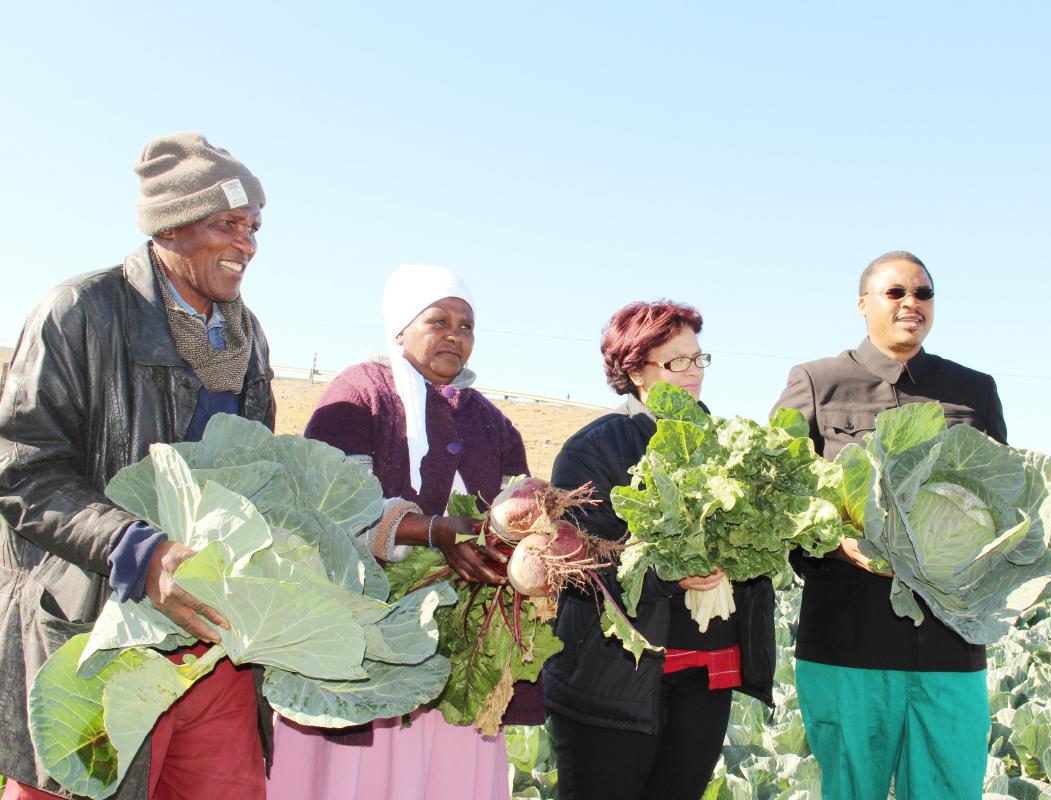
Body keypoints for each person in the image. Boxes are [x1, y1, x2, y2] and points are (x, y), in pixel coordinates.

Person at [0, 133, 274, 799]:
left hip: (210, 647)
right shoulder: (80, 313)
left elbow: (261, 480)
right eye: (228, 224)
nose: (247, 244)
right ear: (171, 227)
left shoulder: (248, 339)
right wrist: (138, 549)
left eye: (254, 227)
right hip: (94, 635)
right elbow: (21, 469)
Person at [266, 264, 538, 800]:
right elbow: (327, 510)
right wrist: (428, 531)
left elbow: (518, 510)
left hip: (464, 646)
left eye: (466, 325)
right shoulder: (360, 393)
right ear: (400, 329)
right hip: (373, 639)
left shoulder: (492, 421)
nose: (455, 335)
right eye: (438, 320)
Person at [771, 250, 1007, 800]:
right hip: (849, 642)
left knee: (951, 789)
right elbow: (778, 497)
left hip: (952, 646)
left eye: (923, 294)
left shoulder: (975, 391)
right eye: (896, 292)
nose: (911, 303)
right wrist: (836, 542)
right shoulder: (817, 382)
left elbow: (1003, 500)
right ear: (863, 304)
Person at [544, 300, 776, 800]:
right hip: (613, 678)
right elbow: (578, 562)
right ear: (634, 371)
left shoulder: (728, 443)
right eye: (676, 362)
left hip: (706, 671)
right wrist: (670, 572)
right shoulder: (593, 449)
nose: (693, 374)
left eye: (699, 359)